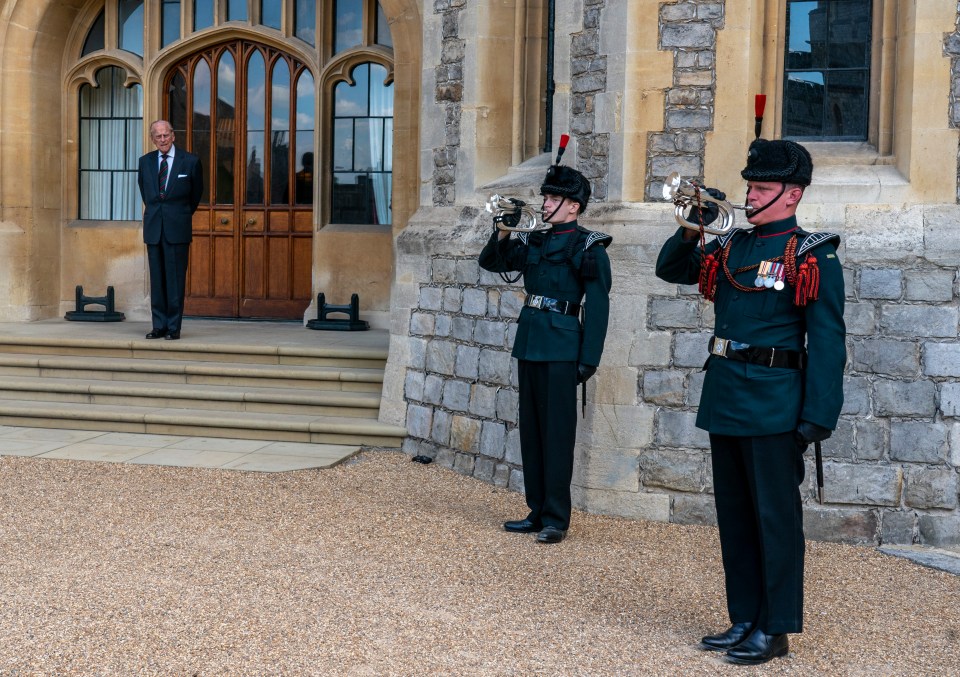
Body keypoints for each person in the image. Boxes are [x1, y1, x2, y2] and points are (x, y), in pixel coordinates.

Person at [655, 139, 845, 665]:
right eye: (750, 187)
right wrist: (693, 223)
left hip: (775, 401)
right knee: (735, 515)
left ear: (792, 195)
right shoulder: (731, 243)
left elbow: (829, 341)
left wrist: (817, 417)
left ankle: (775, 628)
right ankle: (744, 617)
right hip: (728, 396)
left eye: (762, 188)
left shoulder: (811, 253)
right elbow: (671, 269)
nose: (751, 196)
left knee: (774, 519)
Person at [478, 153, 612, 544]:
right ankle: (536, 511)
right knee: (533, 433)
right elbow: (490, 262)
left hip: (562, 347)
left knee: (556, 435)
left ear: (574, 206)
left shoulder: (590, 247)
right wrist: (503, 230)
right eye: (546, 197)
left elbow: (599, 306)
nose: (545, 203)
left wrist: (588, 360)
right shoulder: (535, 239)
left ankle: (556, 517)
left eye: (553, 199)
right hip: (532, 342)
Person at [137, 120, 204, 340]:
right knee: (157, 281)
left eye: (166, 135)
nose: (163, 140)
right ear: (152, 139)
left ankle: (173, 327)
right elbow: (147, 195)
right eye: (158, 136)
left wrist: (178, 216)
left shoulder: (191, 161)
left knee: (175, 281)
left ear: (173, 136)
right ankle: (159, 326)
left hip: (177, 229)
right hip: (154, 229)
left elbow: (195, 197)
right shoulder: (145, 162)